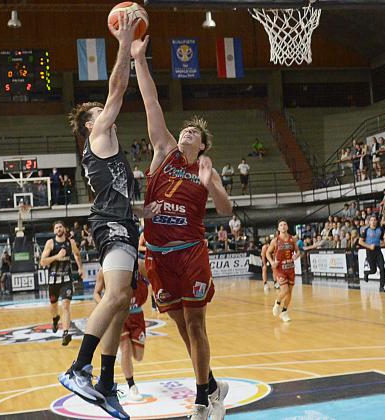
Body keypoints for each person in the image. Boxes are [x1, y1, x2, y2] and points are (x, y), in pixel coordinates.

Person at [133, 30, 233, 420]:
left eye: (195, 133)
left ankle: (203, 400)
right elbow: (151, 101)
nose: (188, 132)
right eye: (186, 129)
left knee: (196, 322)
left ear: (203, 145)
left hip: (190, 252)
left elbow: (226, 210)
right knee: (179, 324)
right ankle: (211, 385)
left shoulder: (206, 170)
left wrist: (212, 187)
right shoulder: (164, 151)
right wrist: (139, 59)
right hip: (158, 255)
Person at [58, 13, 144, 420]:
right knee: (114, 297)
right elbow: (118, 87)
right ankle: (79, 367)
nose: (108, 112)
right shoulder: (97, 132)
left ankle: (107, 384)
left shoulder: (109, 147)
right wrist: (125, 44)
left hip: (121, 219)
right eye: (101, 111)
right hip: (110, 221)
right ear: (91, 123)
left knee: (123, 300)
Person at [93, 263, 149, 402]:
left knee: (138, 356)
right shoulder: (105, 270)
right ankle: (132, 386)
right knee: (125, 348)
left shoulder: (140, 266)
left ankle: (122, 355)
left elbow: (154, 280)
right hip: (118, 315)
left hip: (137, 316)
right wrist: (106, 307)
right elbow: (96, 293)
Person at [40, 221, 85, 346]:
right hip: (53, 280)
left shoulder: (70, 242)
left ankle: (65, 333)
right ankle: (55, 319)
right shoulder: (50, 243)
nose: (59, 229)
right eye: (56, 227)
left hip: (66, 279)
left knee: (65, 306)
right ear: (54, 231)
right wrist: (57, 257)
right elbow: (42, 262)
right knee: (54, 306)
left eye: (60, 226)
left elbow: (76, 254)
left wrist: (80, 267)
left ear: (64, 229)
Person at [267, 221, 300, 322]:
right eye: (281, 225)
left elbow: (298, 251)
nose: (283, 226)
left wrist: (296, 255)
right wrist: (272, 262)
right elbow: (268, 252)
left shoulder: (292, 239)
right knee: (284, 290)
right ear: (278, 228)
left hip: (290, 268)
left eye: (285, 224)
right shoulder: (275, 241)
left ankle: (284, 312)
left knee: (289, 292)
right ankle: (277, 303)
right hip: (280, 268)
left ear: (287, 227)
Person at [359, 216, 385, 292]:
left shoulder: (380, 230)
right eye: (372, 220)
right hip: (369, 252)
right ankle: (366, 273)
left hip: (378, 251)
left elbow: (384, 240)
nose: (373, 221)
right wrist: (369, 246)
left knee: (382, 268)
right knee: (373, 270)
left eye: (375, 220)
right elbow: (360, 242)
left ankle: (381, 287)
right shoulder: (366, 230)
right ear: (369, 222)